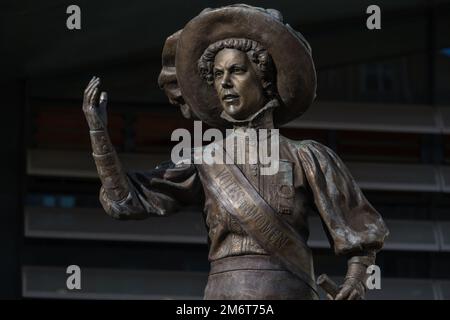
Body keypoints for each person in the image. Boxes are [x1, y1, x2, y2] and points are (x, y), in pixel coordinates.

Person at [82, 4, 388, 300]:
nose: (225, 83)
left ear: (263, 77)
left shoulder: (307, 157)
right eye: (217, 75)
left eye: (236, 71)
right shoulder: (203, 162)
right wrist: (99, 133)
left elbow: (360, 233)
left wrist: (355, 283)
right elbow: (126, 203)